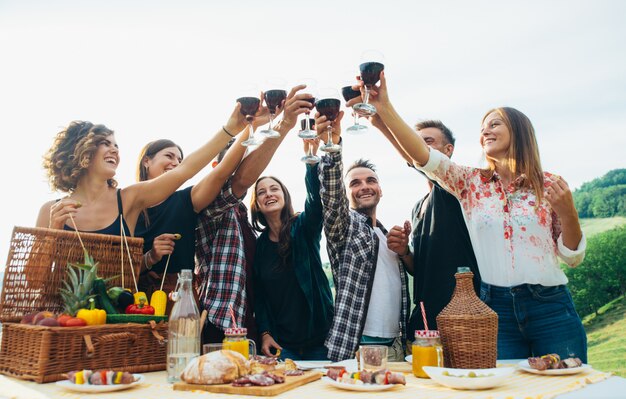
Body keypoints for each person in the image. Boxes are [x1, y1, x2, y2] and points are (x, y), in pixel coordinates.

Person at [359, 72, 588, 362]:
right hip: (496, 308)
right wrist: (384, 108)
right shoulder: (470, 184)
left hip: (551, 305)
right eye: (482, 128)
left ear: (519, 130)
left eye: (495, 123)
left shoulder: (550, 185)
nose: (485, 132)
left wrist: (568, 213)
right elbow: (422, 156)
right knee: (502, 389)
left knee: (568, 385)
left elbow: (573, 257)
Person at [195, 85, 314, 345]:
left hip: (244, 324)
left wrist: (262, 330)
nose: (244, 169)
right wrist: (282, 125)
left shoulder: (244, 219)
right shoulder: (212, 206)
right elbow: (241, 181)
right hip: (217, 323)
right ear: (217, 167)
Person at [36, 106, 246, 237]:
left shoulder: (129, 199)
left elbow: (184, 170)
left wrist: (230, 130)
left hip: (122, 309)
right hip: (64, 311)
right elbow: (33, 281)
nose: (115, 150)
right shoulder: (50, 211)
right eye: (105, 143)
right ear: (81, 149)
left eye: (116, 145)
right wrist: (54, 230)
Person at [315, 111, 411, 362]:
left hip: (397, 346)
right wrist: (332, 146)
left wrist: (406, 251)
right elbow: (332, 197)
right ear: (347, 192)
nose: (364, 186)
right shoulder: (344, 228)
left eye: (371, 180)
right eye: (355, 183)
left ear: (381, 189)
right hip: (358, 346)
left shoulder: (387, 234)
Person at [373, 117, 480, 337]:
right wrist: (404, 252)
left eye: (427, 141)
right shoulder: (418, 206)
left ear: (448, 150)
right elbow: (418, 269)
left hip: (460, 314)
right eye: (415, 140)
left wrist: (380, 123)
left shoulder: (456, 191)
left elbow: (416, 159)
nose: (418, 147)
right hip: (423, 315)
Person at [133, 126, 250, 309]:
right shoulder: (128, 206)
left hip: (180, 299)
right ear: (146, 161)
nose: (175, 163)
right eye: (169, 156)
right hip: (136, 302)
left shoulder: (184, 200)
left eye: (180, 159)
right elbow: (118, 269)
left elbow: (221, 173)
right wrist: (151, 257)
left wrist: (249, 129)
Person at [249, 138, 334, 360]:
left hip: (321, 340)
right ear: (257, 205)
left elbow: (316, 202)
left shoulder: (303, 227)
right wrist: (265, 333)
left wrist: (311, 165)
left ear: (284, 196)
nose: (268, 194)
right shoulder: (259, 247)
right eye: (261, 192)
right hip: (282, 346)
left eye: (274, 189)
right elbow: (260, 297)